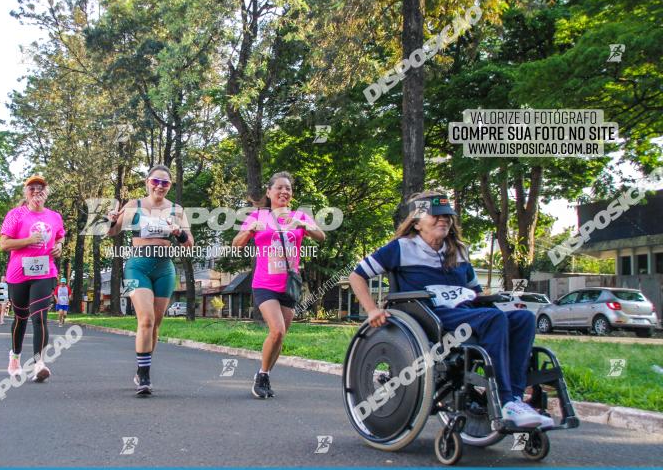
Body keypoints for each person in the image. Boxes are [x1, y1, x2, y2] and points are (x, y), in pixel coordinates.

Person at [348, 190, 553, 428]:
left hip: (465, 311)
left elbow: (475, 293)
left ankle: (514, 399)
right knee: (494, 319)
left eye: (447, 215)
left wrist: (501, 301)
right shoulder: (401, 248)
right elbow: (357, 275)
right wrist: (372, 310)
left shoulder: (459, 250)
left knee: (524, 318)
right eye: (436, 215)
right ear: (417, 223)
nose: (443, 219)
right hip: (432, 315)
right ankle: (506, 400)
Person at [232, 171, 325, 399]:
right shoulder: (257, 216)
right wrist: (248, 232)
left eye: (288, 188)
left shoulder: (299, 216)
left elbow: (321, 236)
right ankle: (262, 375)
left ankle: (264, 375)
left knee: (281, 337)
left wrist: (302, 223)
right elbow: (236, 245)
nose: (284, 191)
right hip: (264, 283)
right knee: (277, 329)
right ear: (269, 192)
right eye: (279, 188)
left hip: (289, 284)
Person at [106, 164, 193, 395]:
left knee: (155, 325)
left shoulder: (176, 209)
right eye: (156, 181)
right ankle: (145, 378)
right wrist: (112, 220)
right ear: (147, 182)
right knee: (145, 319)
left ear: (169, 186)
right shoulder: (134, 205)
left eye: (165, 183)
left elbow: (189, 243)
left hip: (165, 269)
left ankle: (140, 369)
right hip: (137, 267)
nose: (160, 186)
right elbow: (111, 232)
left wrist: (178, 233)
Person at [0, 175, 65, 382]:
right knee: (21, 318)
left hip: (45, 273)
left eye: (41, 188)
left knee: (40, 317)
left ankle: (39, 364)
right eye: (32, 188)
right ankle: (15, 359)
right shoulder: (15, 214)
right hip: (18, 274)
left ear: (46, 193)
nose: (37, 191)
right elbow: (4, 244)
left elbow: (60, 235)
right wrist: (28, 240)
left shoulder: (54, 216)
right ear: (25, 192)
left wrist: (59, 246)